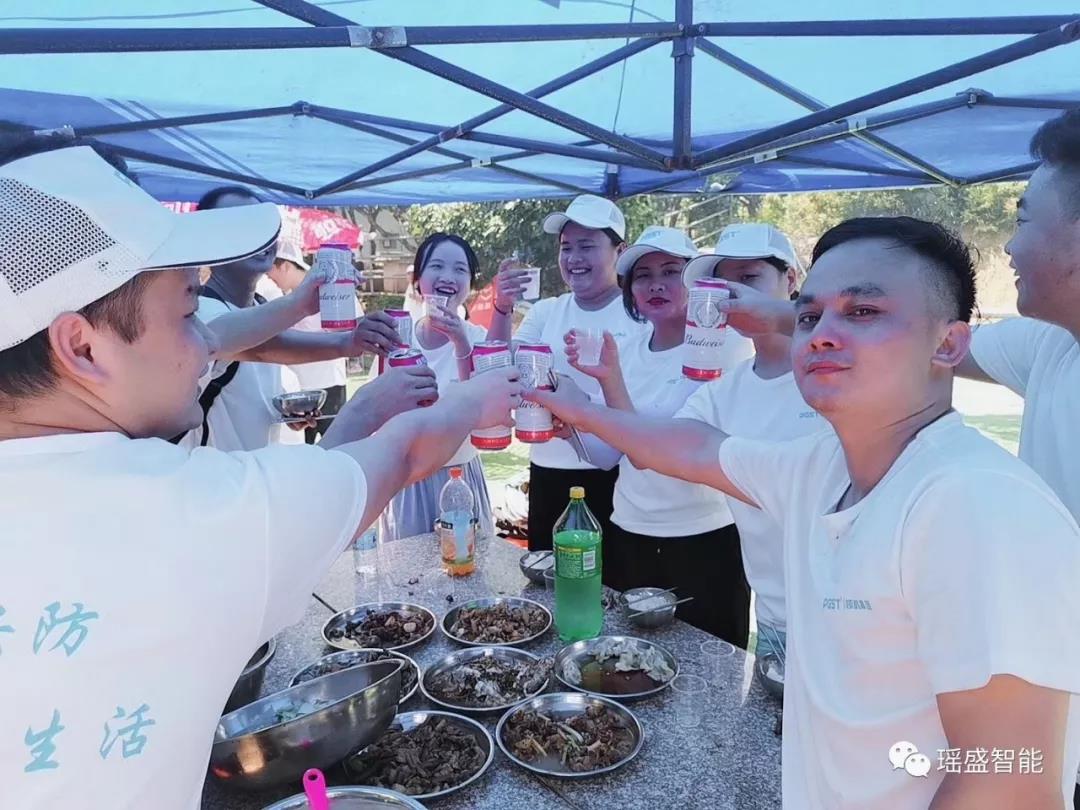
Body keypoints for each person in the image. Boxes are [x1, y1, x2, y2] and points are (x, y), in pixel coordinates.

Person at [0, 145, 520, 809]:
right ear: (82, 347)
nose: (209, 343)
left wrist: (365, 401)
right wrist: (475, 400)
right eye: (190, 313)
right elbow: (404, 452)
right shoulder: (199, 508)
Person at [530, 216, 1080, 809]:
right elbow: (694, 446)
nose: (821, 335)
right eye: (810, 317)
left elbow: (1009, 783)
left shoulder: (978, 506)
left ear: (947, 344)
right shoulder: (820, 467)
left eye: (863, 311)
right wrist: (580, 410)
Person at [563, 225, 754, 643]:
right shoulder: (628, 349)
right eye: (643, 276)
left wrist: (606, 386)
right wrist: (569, 427)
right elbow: (609, 456)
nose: (655, 285)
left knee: (710, 665)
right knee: (628, 660)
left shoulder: (720, 347)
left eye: (670, 272)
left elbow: (658, 448)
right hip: (629, 529)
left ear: (695, 283)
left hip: (702, 538)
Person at [676, 223, 826, 659]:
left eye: (750, 278)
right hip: (775, 617)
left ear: (790, 279)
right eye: (725, 284)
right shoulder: (726, 389)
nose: (734, 295)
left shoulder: (835, 370)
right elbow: (661, 447)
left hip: (853, 619)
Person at [182, 186, 400, 451]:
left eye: (264, 224)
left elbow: (263, 354)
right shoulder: (199, 311)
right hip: (214, 475)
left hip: (256, 472)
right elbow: (253, 346)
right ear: (207, 243)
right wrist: (307, 311)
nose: (259, 235)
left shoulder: (262, 308)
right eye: (239, 225)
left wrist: (282, 412)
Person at [487, 194, 649, 552]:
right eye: (566, 247)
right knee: (546, 573)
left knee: (607, 578)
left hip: (618, 476)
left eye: (587, 246)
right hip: (548, 470)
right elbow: (499, 367)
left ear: (620, 251)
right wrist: (502, 307)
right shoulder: (547, 311)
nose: (574, 258)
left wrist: (581, 406)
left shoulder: (640, 316)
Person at [378, 233, 495, 541]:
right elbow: (378, 412)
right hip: (407, 481)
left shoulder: (479, 339)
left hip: (462, 478)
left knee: (468, 566)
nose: (448, 277)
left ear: (469, 283)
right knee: (407, 568)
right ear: (418, 280)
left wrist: (461, 343)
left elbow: (484, 412)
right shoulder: (398, 339)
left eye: (460, 269)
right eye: (437, 266)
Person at [258, 227, 356, 444]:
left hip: (328, 384)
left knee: (336, 444)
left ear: (285, 266)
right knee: (303, 447)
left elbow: (351, 326)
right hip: (298, 389)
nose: (269, 277)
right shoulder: (284, 298)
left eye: (270, 271)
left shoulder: (330, 289)